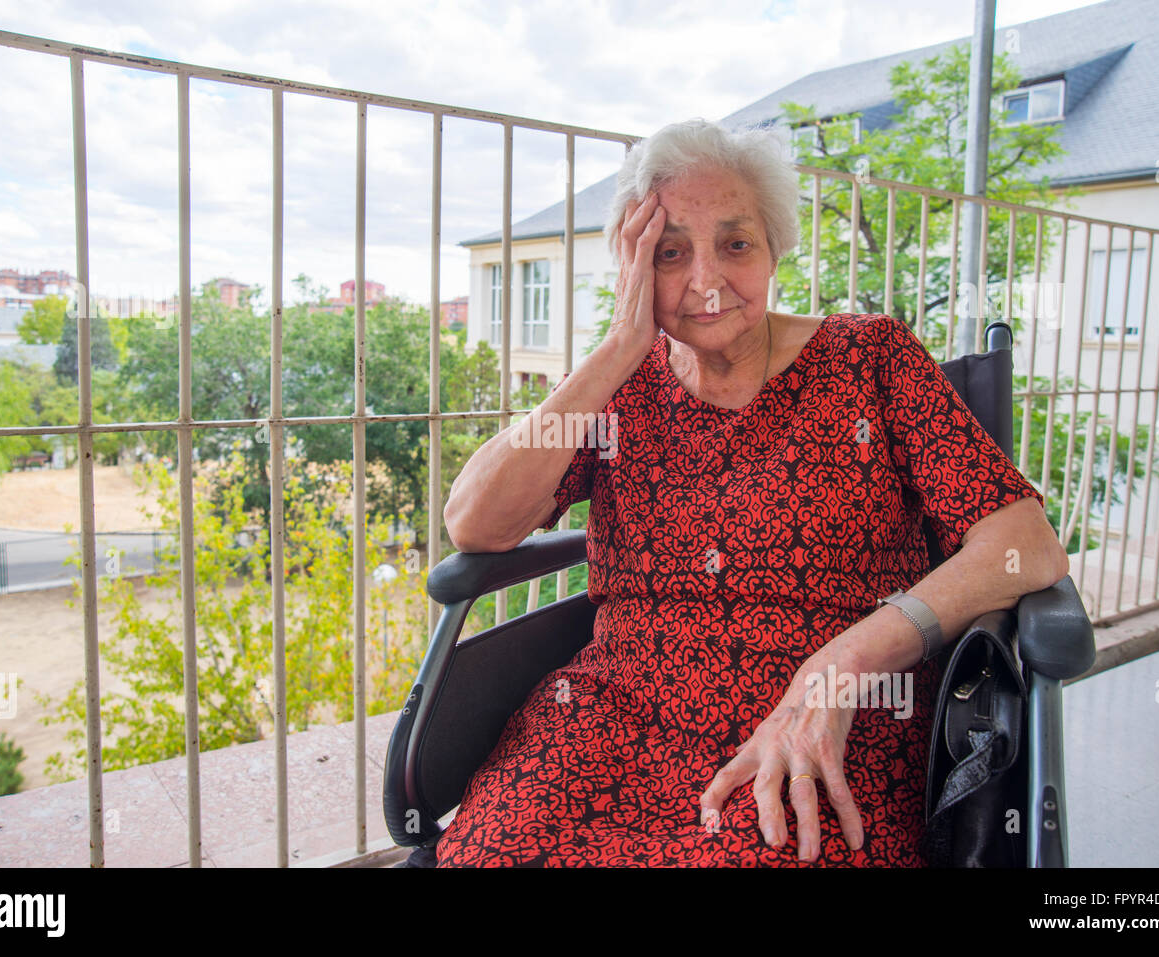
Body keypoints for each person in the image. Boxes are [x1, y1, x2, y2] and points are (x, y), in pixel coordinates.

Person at [437, 118, 1069, 866]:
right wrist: (614, 352)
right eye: (671, 253)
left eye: (735, 244)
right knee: (494, 848)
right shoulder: (617, 389)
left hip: (829, 716)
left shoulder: (872, 358)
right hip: (617, 714)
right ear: (636, 268)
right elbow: (474, 523)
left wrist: (845, 663)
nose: (705, 279)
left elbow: (1023, 545)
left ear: (774, 249)